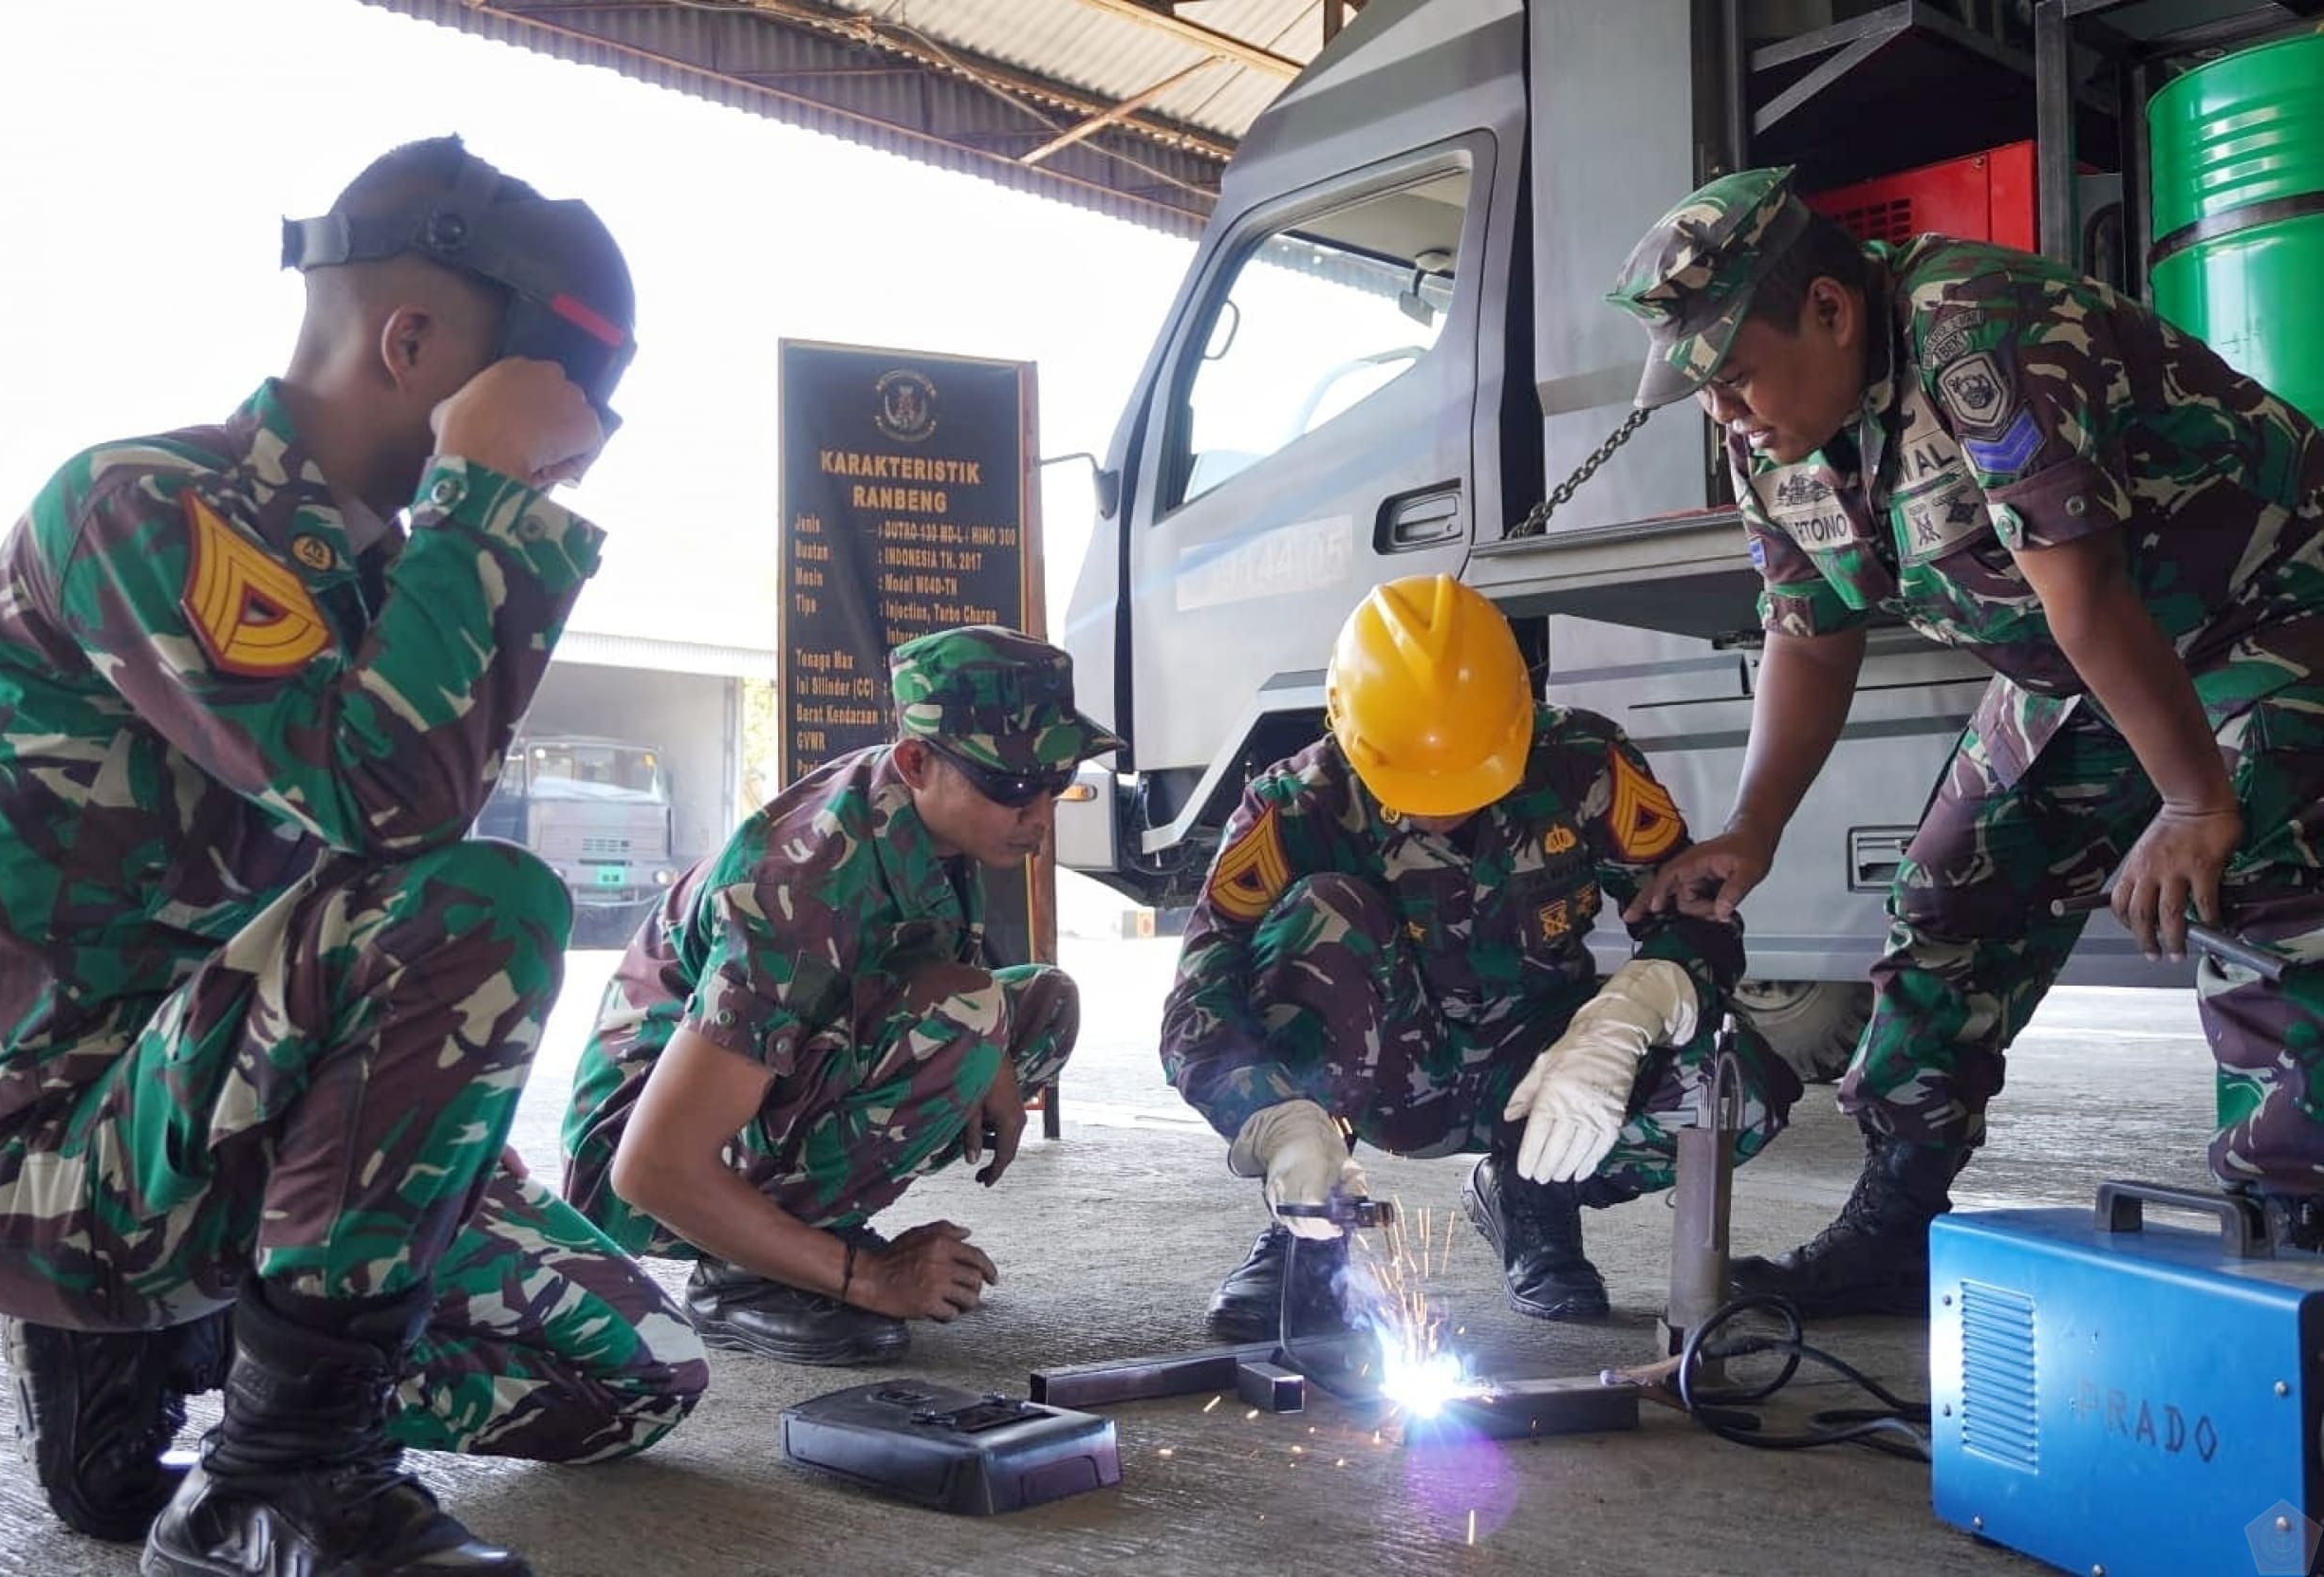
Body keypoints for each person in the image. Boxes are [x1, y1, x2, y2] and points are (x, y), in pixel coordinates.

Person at [0, 137, 708, 1577]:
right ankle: (275, 1471)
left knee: (640, 1374)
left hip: (256, 1096)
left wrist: (479, 528)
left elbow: (426, 777)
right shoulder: (146, 503)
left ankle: (197, 1350)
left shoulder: (389, 567)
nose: (585, 438)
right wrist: (491, 502)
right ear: (414, 342)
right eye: (560, 395)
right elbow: (394, 809)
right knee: (483, 903)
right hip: (56, 1139)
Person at [1607, 165, 2324, 1316]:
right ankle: (1896, 1212)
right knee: (1948, 893)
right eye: (1704, 389)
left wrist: (2192, 806)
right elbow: (1809, 633)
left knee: (2255, 891)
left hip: (2273, 616)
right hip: (2086, 660)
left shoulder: (1977, 332)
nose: (1723, 412)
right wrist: (1753, 830)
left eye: (1733, 375)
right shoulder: (1773, 428)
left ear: (1832, 311)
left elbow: (2083, 591)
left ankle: (2297, 1232)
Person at [1160, 575, 1798, 1337]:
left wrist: (1634, 1010)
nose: (1445, 802)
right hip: (1386, 1078)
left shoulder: (1583, 760)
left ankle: (1533, 1197)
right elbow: (1200, 998)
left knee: (1742, 1090)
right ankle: (1310, 1230)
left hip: (1538, 1073)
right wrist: (1272, 1119)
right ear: (1347, 728)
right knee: (1326, 909)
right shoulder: (1294, 806)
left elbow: (1696, 915)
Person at [561, 626, 1116, 1366]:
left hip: (755, 1094)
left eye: (1057, 783)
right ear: (916, 761)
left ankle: (797, 1237)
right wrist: (869, 1280)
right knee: (969, 1015)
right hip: (647, 1170)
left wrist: (994, 1062)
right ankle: (744, 1278)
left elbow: (926, 971)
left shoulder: (929, 816)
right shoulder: (800, 888)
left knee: (1041, 1003)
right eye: (1011, 787)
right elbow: (652, 1168)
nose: (1040, 816)